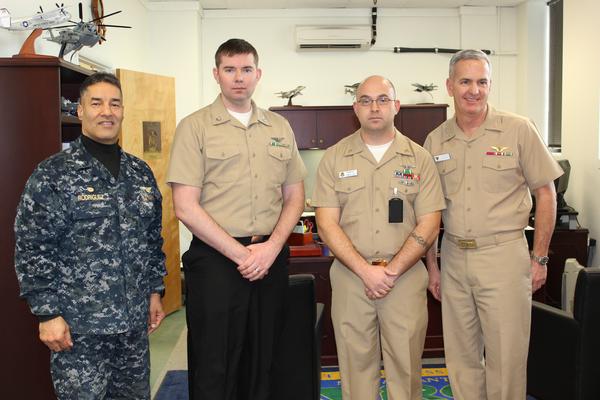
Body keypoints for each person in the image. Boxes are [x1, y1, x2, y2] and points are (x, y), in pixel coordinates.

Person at [166, 38, 306, 400]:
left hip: (270, 258)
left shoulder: (279, 128)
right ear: (217, 75)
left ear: (258, 74)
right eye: (230, 70)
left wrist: (272, 247)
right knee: (216, 363)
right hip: (216, 261)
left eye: (246, 70)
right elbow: (185, 206)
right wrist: (243, 256)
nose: (238, 78)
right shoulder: (194, 127)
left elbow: (295, 196)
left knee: (264, 359)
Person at [14, 72, 167, 399]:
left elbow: (152, 239)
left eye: (114, 104)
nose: (106, 111)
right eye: (96, 103)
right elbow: (32, 247)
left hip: (132, 330)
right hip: (79, 331)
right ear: (80, 111)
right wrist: (47, 313)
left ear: (123, 110)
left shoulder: (139, 173)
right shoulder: (53, 174)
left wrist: (155, 292)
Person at [423, 49, 563, 400]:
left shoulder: (518, 129)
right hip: (454, 258)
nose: (474, 90)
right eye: (465, 81)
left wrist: (540, 258)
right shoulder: (436, 140)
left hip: (503, 256)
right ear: (449, 86)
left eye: (482, 82)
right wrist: (433, 266)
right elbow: (430, 210)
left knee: (506, 359)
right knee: (461, 358)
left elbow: (546, 194)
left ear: (490, 85)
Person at [312, 75, 445, 400]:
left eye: (383, 99)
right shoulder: (334, 158)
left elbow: (430, 223)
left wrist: (392, 271)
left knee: (407, 371)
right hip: (350, 280)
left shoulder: (419, 159)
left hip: (405, 280)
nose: (375, 107)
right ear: (355, 108)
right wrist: (366, 271)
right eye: (367, 100)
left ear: (396, 106)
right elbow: (327, 224)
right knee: (356, 373)